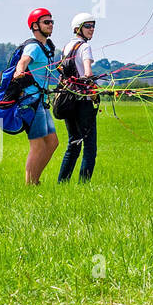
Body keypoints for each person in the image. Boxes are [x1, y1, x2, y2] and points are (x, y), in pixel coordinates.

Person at [55, 12, 101, 184]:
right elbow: (88, 73)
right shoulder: (85, 47)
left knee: (74, 143)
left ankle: (62, 183)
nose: (92, 29)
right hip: (83, 103)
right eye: (88, 26)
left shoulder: (67, 47)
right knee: (89, 146)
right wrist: (91, 79)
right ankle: (83, 185)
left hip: (68, 101)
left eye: (93, 26)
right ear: (78, 29)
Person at [15, 7, 59, 185]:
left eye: (51, 22)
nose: (50, 25)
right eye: (46, 22)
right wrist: (20, 71)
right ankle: (29, 184)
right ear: (35, 26)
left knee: (53, 142)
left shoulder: (46, 47)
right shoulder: (33, 46)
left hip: (40, 101)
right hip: (31, 101)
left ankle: (35, 180)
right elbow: (23, 61)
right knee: (38, 145)